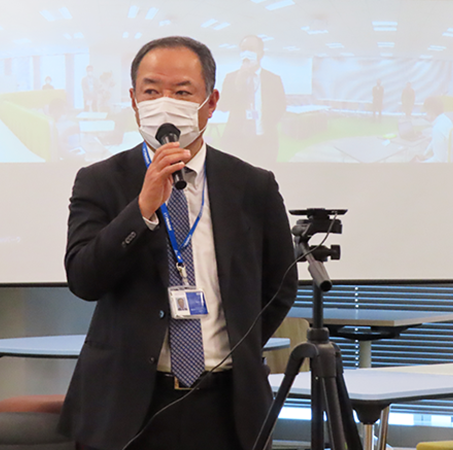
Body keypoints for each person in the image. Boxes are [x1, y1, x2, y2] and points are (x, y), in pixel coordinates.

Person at [59, 36, 298, 450]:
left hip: (228, 404)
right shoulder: (100, 180)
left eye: (182, 92)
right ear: (133, 100)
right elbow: (84, 278)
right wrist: (142, 210)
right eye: (152, 91)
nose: (165, 103)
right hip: (127, 402)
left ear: (212, 101)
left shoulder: (252, 185)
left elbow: (280, 284)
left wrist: (236, 345)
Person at [218, 35, 286, 164]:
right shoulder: (231, 77)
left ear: (261, 54)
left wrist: (268, 123)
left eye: (251, 49)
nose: (246, 53)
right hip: (236, 141)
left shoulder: (273, 79)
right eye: (243, 49)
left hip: (264, 140)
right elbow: (223, 106)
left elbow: (281, 106)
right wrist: (238, 84)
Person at [415, 96, 453, 163]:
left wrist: (420, 163)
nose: (426, 115)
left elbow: (438, 160)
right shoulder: (446, 120)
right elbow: (434, 141)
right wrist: (425, 154)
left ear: (431, 112)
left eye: (426, 112)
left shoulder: (437, 129)